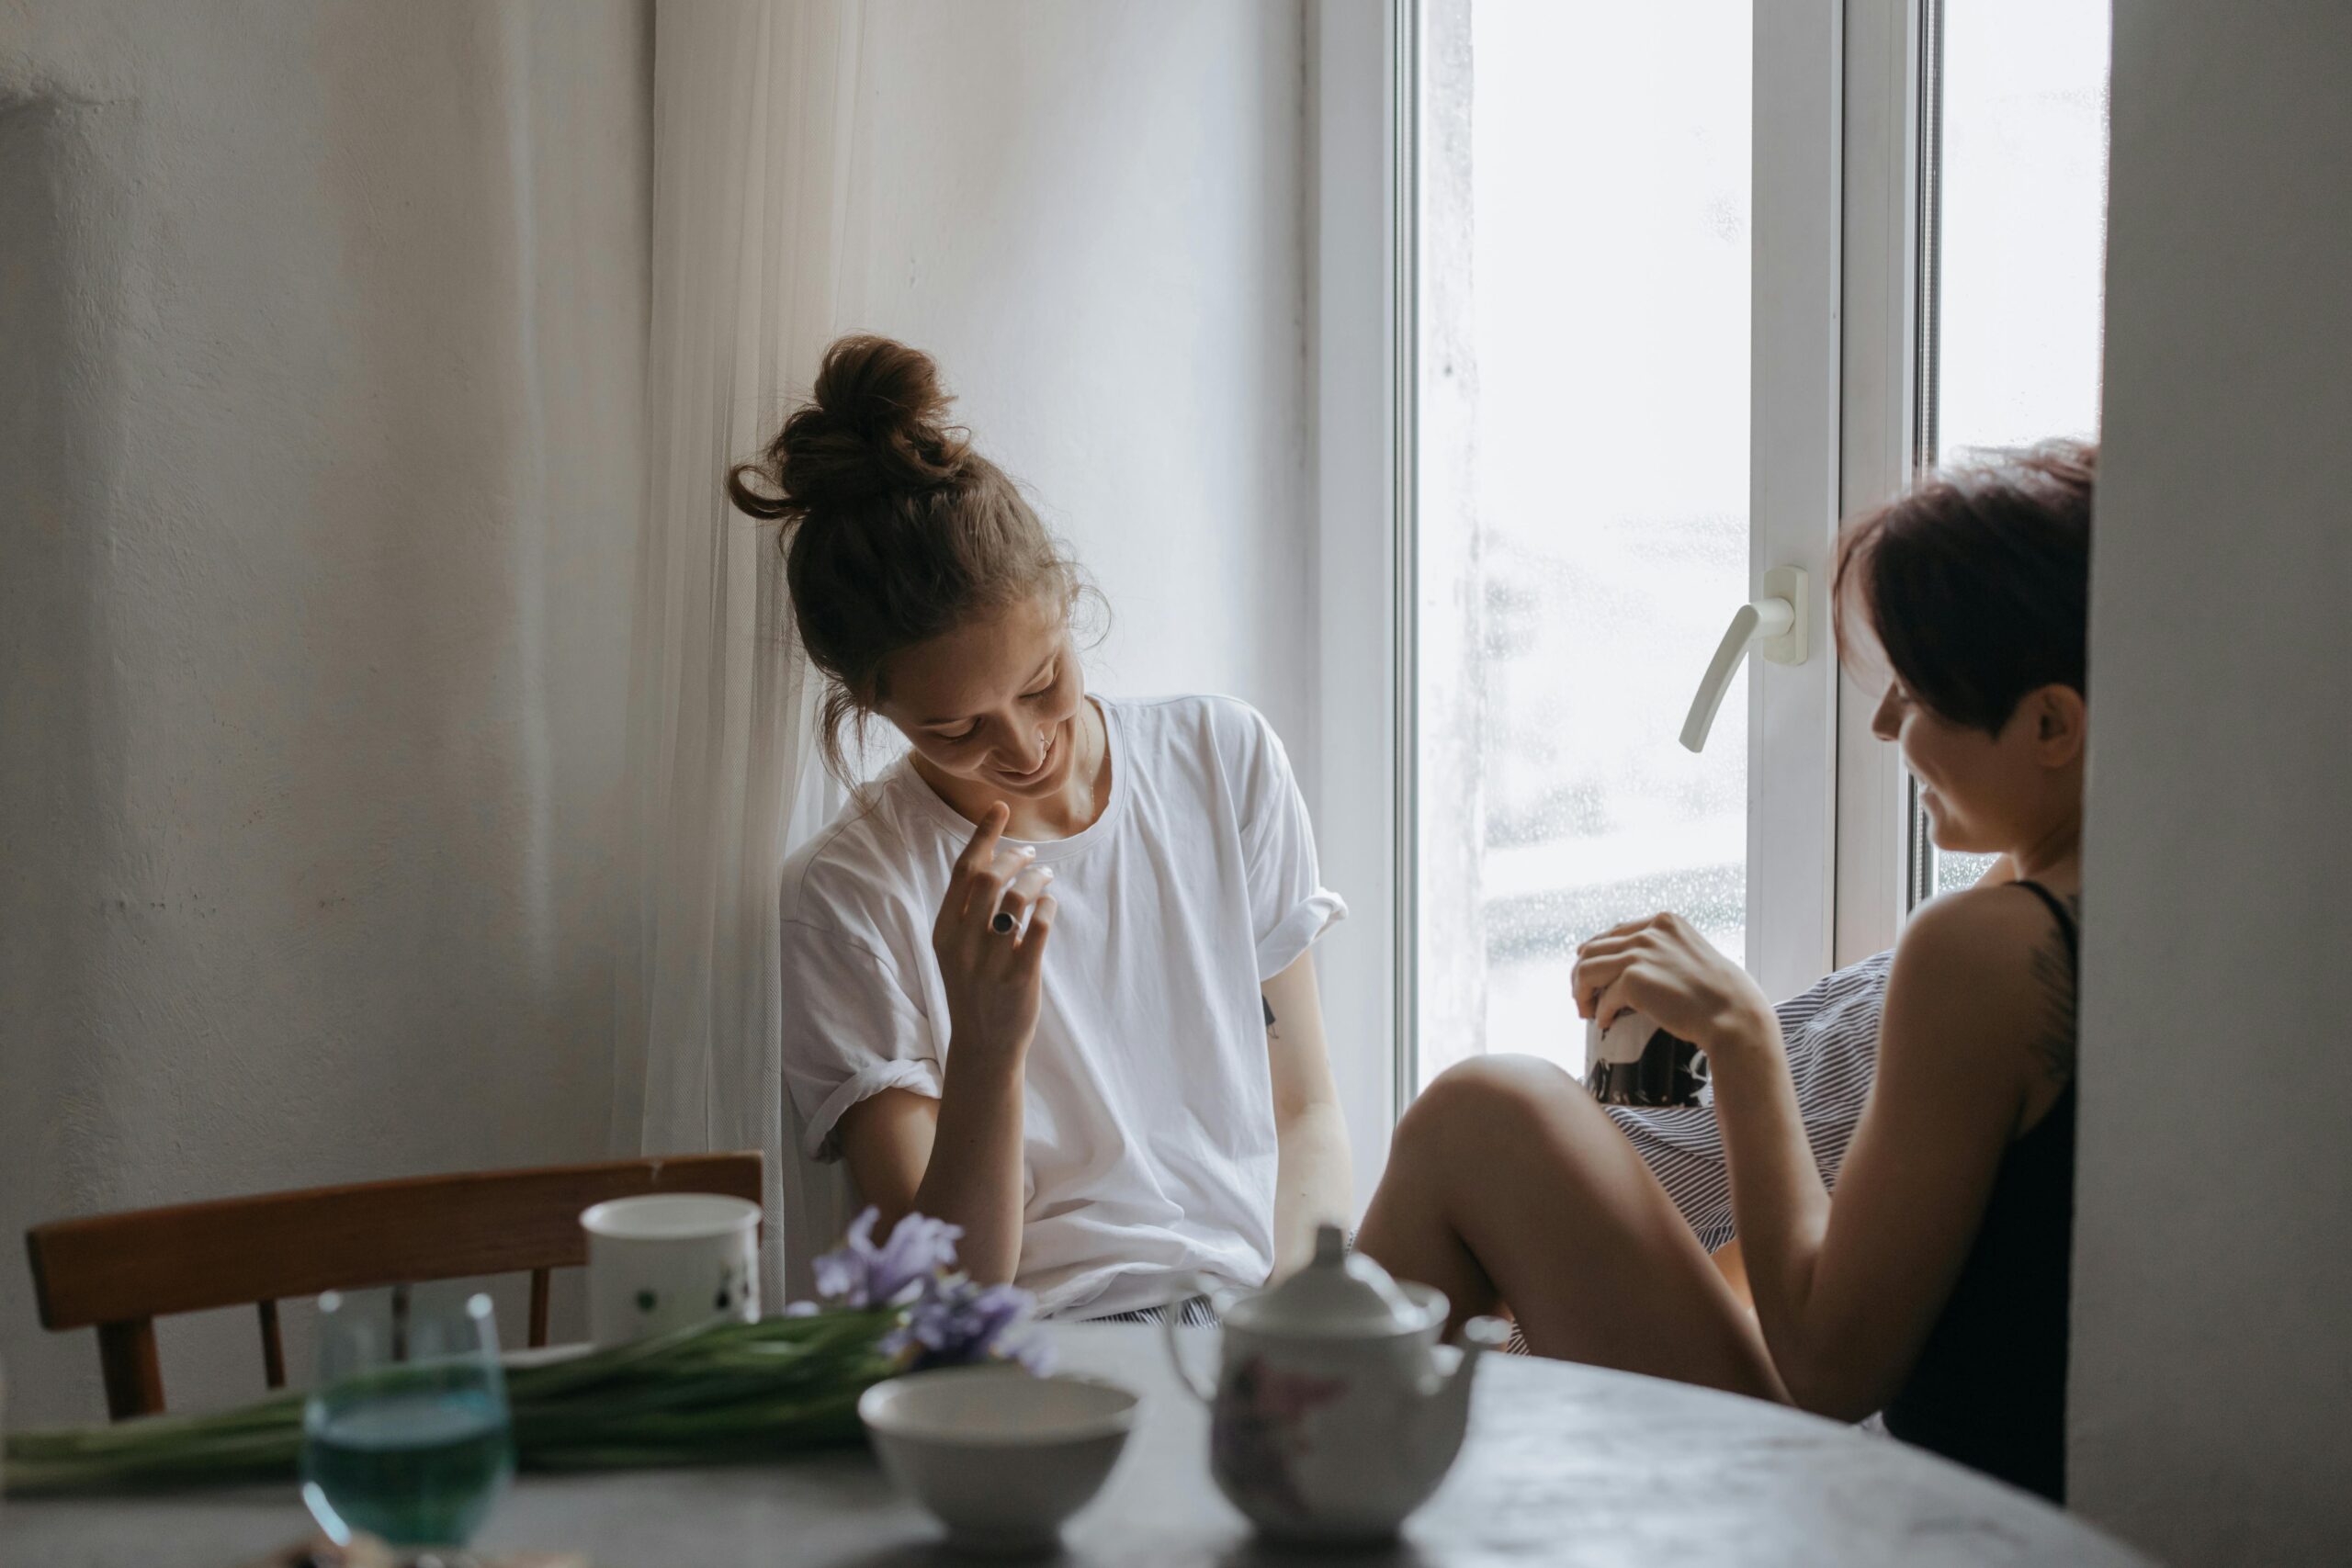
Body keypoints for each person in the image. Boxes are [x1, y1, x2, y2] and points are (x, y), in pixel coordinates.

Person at [1357, 442, 2093, 1502]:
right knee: (1493, 1120)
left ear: (2051, 723)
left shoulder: (1988, 953)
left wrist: (1742, 1039)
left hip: (1926, 1516)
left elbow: (1831, 1369)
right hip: (2010, 1481)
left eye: (1919, 694)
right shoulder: (2118, 909)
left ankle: (1293, 1485)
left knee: (1480, 1114)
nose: (1887, 725)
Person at [730, 334, 1352, 1323]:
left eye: (1040, 684)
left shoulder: (1219, 759)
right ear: (872, 711)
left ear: (1065, 602)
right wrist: (985, 1040)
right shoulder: (852, 894)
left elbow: (1306, 1111)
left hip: (1258, 1318)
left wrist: (1294, 1323)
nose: (1021, 748)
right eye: (955, 730)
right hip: (1046, 1355)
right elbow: (953, 1295)